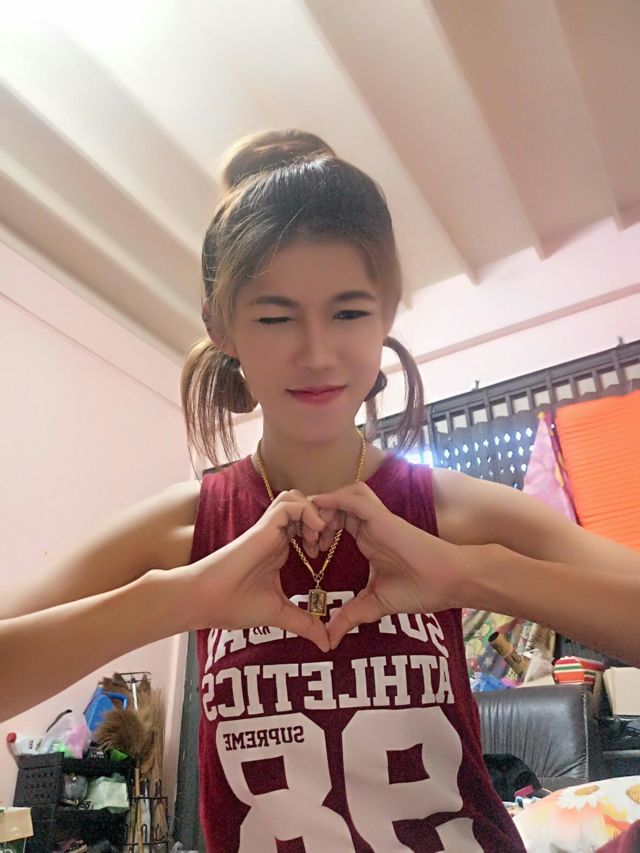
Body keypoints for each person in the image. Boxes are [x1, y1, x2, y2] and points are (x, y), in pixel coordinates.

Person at [2, 129, 639, 852]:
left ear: (387, 311)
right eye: (276, 317)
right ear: (221, 325)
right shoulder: (188, 527)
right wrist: (177, 599)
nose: (317, 352)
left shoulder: (449, 510)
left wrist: (470, 574)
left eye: (349, 312)